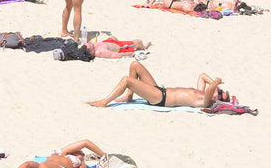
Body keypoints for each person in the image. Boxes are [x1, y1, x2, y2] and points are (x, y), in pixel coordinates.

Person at [87, 61, 231, 109]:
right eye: (220, 90)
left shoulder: (204, 102)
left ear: (216, 99)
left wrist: (216, 83)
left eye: (219, 94)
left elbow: (211, 87)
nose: (217, 91)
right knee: (135, 65)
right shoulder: (201, 93)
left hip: (160, 99)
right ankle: (129, 96)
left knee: (127, 80)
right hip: (159, 90)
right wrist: (215, 83)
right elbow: (202, 76)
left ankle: (104, 103)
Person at [84, 38, 151, 59]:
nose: (90, 42)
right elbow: (117, 55)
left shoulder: (90, 48)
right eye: (90, 44)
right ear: (91, 51)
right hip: (120, 47)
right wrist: (130, 53)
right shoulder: (101, 52)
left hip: (108, 42)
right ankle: (144, 47)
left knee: (113, 37)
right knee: (138, 41)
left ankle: (121, 41)